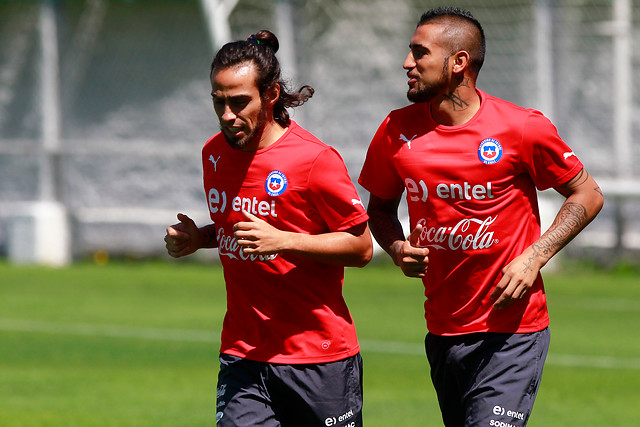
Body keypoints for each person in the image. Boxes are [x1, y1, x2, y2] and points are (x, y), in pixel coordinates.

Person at [358, 7, 604, 427]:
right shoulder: (395, 130)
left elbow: (588, 193)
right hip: (443, 330)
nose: (407, 64)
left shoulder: (522, 127)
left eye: (420, 53)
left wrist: (534, 257)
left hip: (513, 332)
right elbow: (378, 209)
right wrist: (398, 248)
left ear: (459, 62)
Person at [164, 30, 372, 427]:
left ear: (271, 95)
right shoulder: (214, 154)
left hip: (317, 356)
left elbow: (360, 247)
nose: (228, 115)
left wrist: (284, 241)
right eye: (218, 102)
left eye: (239, 102)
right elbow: (237, 226)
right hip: (244, 352)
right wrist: (201, 238)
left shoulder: (314, 159)